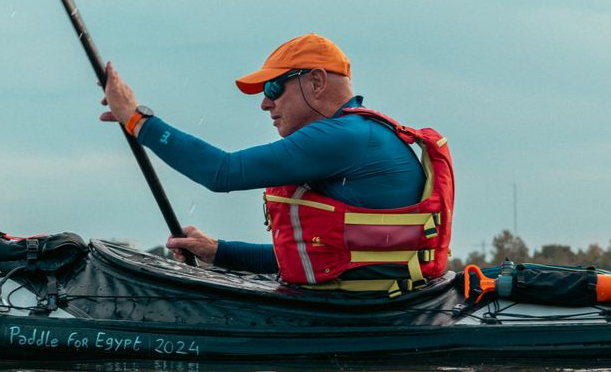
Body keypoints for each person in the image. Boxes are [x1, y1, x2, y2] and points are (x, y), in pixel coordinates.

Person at [100, 33, 454, 292]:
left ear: (316, 81)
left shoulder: (344, 137)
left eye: (273, 88)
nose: (265, 104)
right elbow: (313, 256)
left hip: (363, 315)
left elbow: (221, 172)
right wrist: (219, 252)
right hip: (380, 305)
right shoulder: (357, 136)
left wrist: (136, 119)